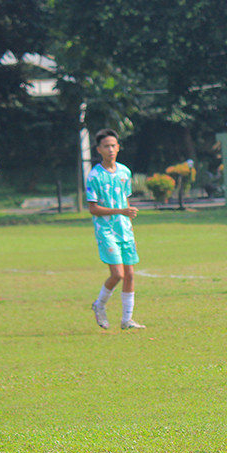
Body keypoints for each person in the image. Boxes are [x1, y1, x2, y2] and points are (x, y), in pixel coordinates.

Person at [87, 128, 145, 330]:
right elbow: (93, 208)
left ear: (118, 147)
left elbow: (125, 202)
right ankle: (99, 305)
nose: (110, 149)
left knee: (129, 274)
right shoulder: (94, 176)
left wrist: (130, 228)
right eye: (106, 146)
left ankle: (127, 319)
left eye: (113, 145)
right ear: (99, 150)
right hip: (106, 231)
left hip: (124, 230)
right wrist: (120, 211)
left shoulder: (124, 172)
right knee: (118, 274)